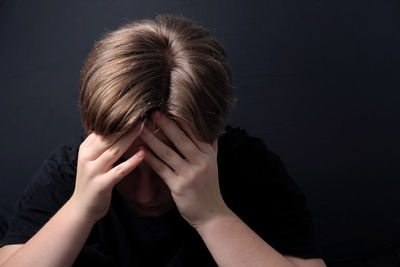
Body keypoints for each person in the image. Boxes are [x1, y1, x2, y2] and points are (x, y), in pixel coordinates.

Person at [0, 15, 326, 266]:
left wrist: (212, 216)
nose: (145, 195)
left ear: (215, 136)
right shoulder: (71, 172)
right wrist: (79, 210)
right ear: (91, 131)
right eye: (124, 166)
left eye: (169, 166)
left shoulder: (249, 167)